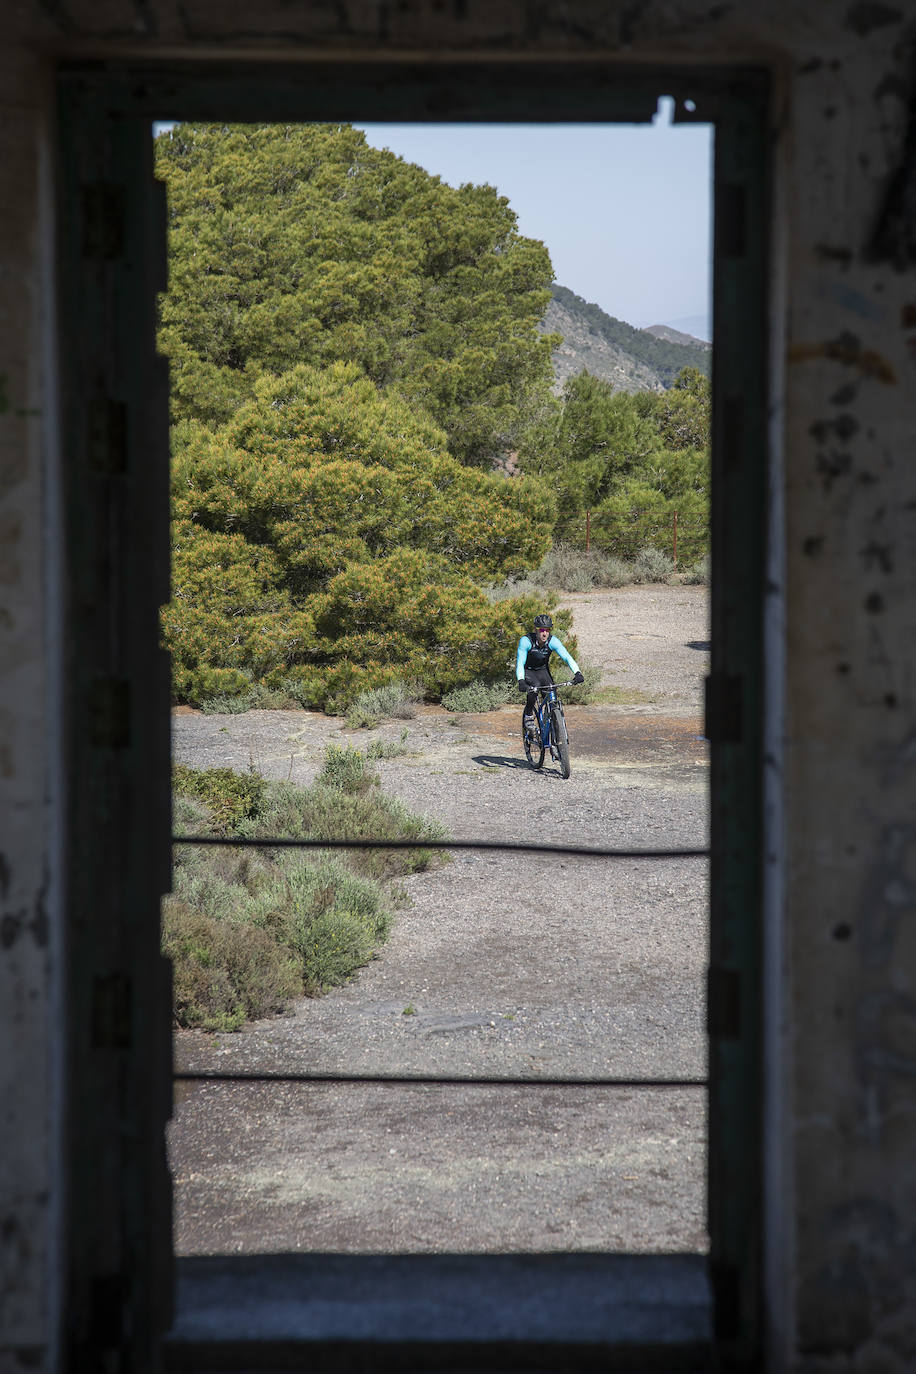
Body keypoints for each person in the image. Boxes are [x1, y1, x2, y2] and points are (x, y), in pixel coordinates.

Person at [516, 613, 584, 737]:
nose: (544, 633)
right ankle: (528, 716)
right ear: (536, 630)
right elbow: (520, 662)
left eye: (547, 630)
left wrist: (577, 672)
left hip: (543, 671)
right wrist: (521, 680)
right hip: (529, 671)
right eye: (542, 630)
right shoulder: (526, 641)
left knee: (552, 693)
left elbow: (567, 657)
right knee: (534, 688)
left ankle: (553, 727)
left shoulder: (553, 641)